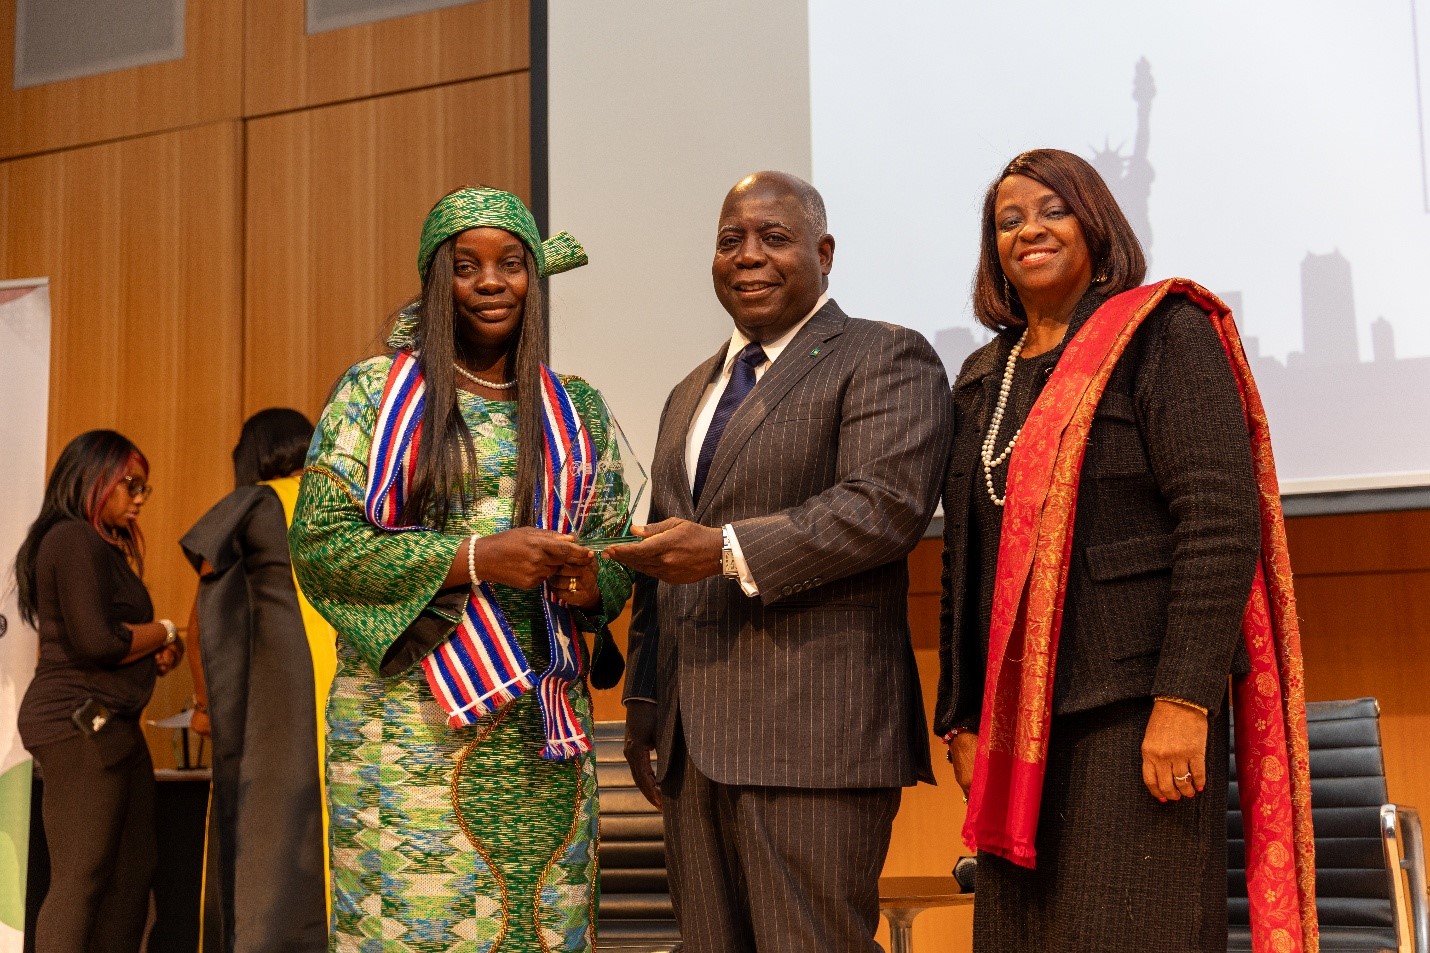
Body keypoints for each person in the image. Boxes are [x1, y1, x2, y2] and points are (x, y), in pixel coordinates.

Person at [936, 148, 1317, 952]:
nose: (1028, 230)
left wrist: (1183, 699)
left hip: (1136, 713)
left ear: (1096, 223)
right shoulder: (981, 375)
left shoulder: (1161, 335)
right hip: (1021, 731)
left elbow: (1218, 522)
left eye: (1052, 210)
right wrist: (963, 714)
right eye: (1008, 220)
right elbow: (965, 560)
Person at [607, 171, 953, 953]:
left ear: (824, 253)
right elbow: (668, 547)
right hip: (693, 747)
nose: (749, 256)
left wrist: (727, 549)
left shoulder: (884, 355)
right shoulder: (689, 390)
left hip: (814, 740)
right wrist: (645, 698)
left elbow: (884, 507)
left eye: (775, 237)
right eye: (731, 241)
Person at [289, 187, 633, 953]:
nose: (490, 281)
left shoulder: (577, 409)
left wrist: (593, 583)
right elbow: (320, 543)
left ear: (532, 281)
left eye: (510, 264)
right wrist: (480, 557)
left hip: (543, 729)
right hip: (406, 728)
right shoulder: (373, 396)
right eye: (467, 265)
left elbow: (609, 544)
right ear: (435, 281)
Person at [13, 429, 184, 953]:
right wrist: (168, 631)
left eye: (143, 489)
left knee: (132, 876)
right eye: (130, 484)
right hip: (77, 724)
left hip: (114, 726)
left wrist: (158, 649)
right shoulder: (71, 538)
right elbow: (96, 641)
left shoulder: (99, 547)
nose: (138, 498)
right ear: (94, 478)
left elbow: (118, 640)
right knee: (81, 878)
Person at [180, 407, 332, 952]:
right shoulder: (341, 509)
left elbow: (202, 620)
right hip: (350, 709)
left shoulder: (257, 502)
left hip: (278, 705)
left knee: (264, 842)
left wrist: (204, 704)